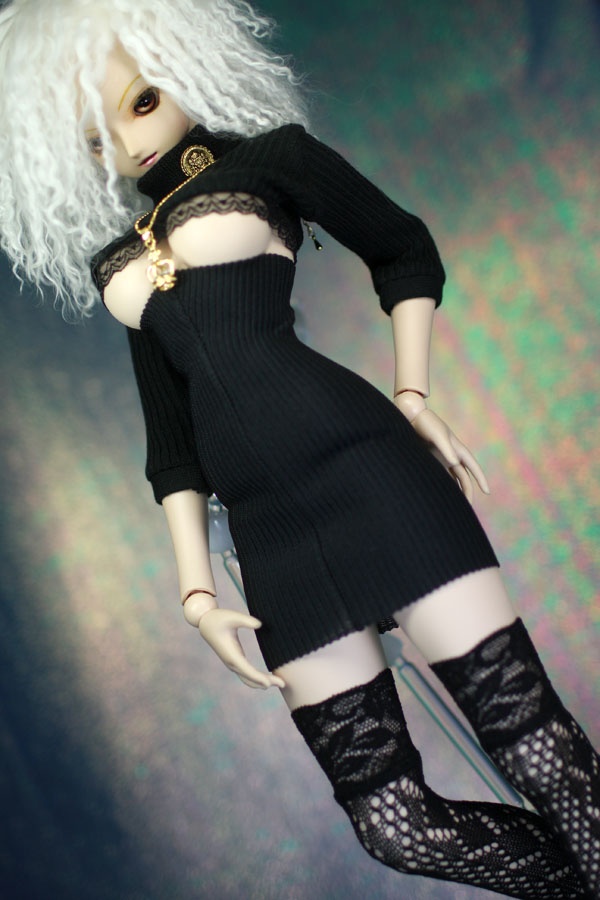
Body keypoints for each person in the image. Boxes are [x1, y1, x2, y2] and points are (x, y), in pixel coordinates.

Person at [0, 1, 597, 897]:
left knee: (536, 749)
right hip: (269, 535)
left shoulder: (272, 160)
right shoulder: (121, 258)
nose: (129, 144)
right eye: (96, 139)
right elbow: (172, 441)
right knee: (392, 824)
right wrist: (196, 592)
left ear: (185, 67)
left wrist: (413, 399)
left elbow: (402, 248)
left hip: (368, 468)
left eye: (142, 102)